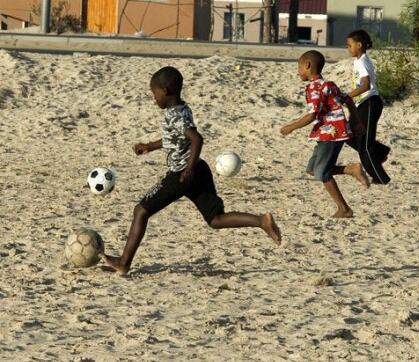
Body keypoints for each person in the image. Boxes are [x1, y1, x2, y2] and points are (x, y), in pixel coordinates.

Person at [101, 66, 282, 274]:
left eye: (154, 93)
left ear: (165, 90)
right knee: (215, 219)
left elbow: (196, 138)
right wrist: (150, 146)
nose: (153, 98)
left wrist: (187, 169)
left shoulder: (174, 116)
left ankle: (124, 262)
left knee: (140, 211)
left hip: (181, 174)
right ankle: (261, 220)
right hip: (199, 170)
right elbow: (177, 137)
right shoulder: (181, 109)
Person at [280, 50, 369, 218]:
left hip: (331, 135)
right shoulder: (329, 84)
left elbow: (312, 115)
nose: (298, 71)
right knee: (313, 170)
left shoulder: (314, 87)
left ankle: (344, 209)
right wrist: (355, 121)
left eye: (299, 67)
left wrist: (291, 127)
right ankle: (351, 169)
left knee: (322, 173)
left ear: (307, 65)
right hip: (331, 134)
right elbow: (348, 100)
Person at [344, 29, 391, 185]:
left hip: (370, 102)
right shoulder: (357, 61)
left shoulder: (363, 61)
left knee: (365, 144)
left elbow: (366, 85)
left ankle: (380, 177)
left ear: (359, 45)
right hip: (361, 104)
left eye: (350, 45)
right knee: (348, 134)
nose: (348, 48)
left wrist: (347, 96)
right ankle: (381, 151)